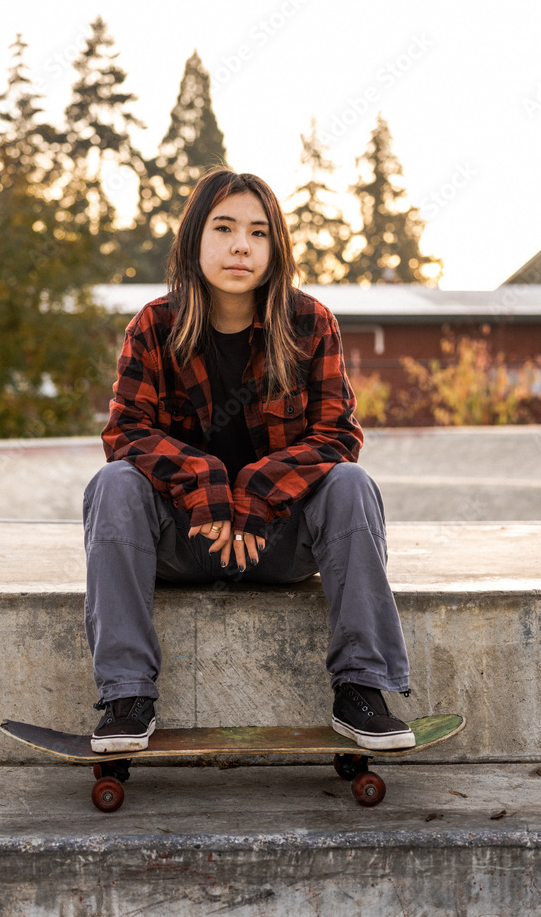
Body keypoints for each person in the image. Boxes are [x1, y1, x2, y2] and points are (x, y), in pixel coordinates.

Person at [82, 167, 414, 755]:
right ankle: (127, 694)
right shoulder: (154, 326)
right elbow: (127, 431)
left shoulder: (310, 322)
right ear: (194, 239)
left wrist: (257, 493)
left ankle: (363, 688)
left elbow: (337, 434)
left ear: (275, 247)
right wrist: (206, 481)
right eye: (225, 227)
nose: (241, 245)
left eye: (259, 233)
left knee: (351, 484)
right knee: (112, 485)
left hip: (277, 542)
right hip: (186, 541)